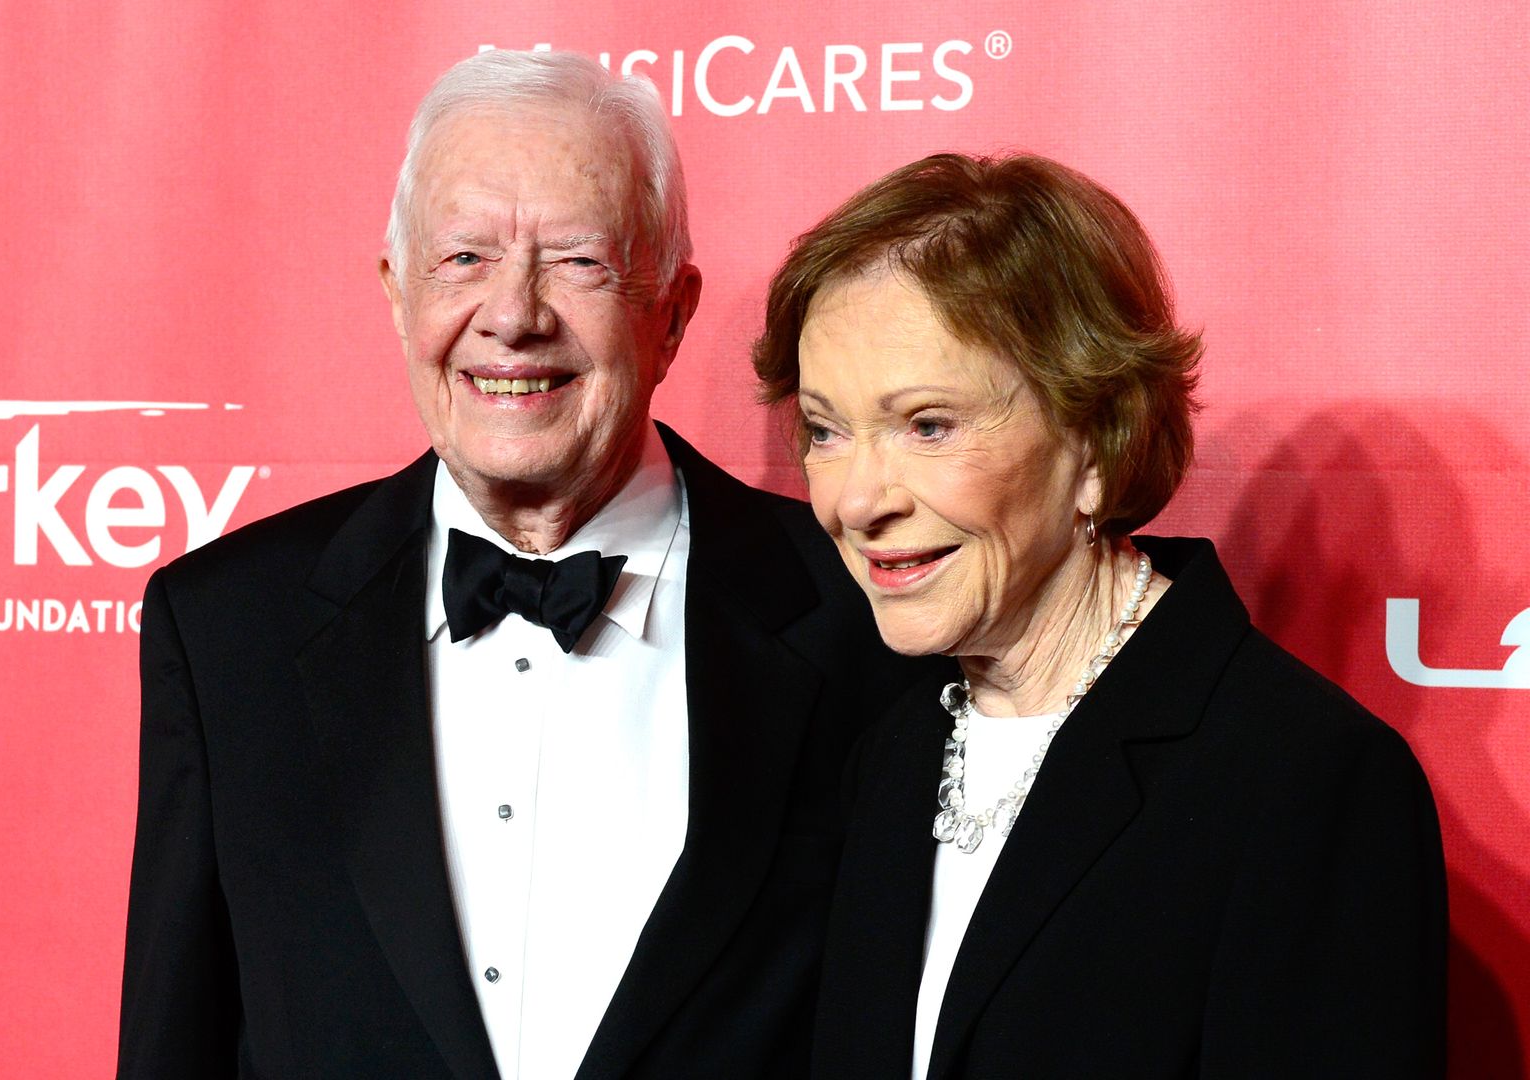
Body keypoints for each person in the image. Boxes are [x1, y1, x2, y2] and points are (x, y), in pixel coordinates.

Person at [116, 50, 932, 1079]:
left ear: (674, 313)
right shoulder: (229, 627)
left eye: (578, 261)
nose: (513, 315)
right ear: (395, 291)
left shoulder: (867, 612)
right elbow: (176, 1042)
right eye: (462, 259)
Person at [751, 153, 1448, 1078]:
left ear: (1097, 442)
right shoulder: (889, 754)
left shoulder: (1302, 781)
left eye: (928, 425)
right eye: (826, 431)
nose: (856, 500)